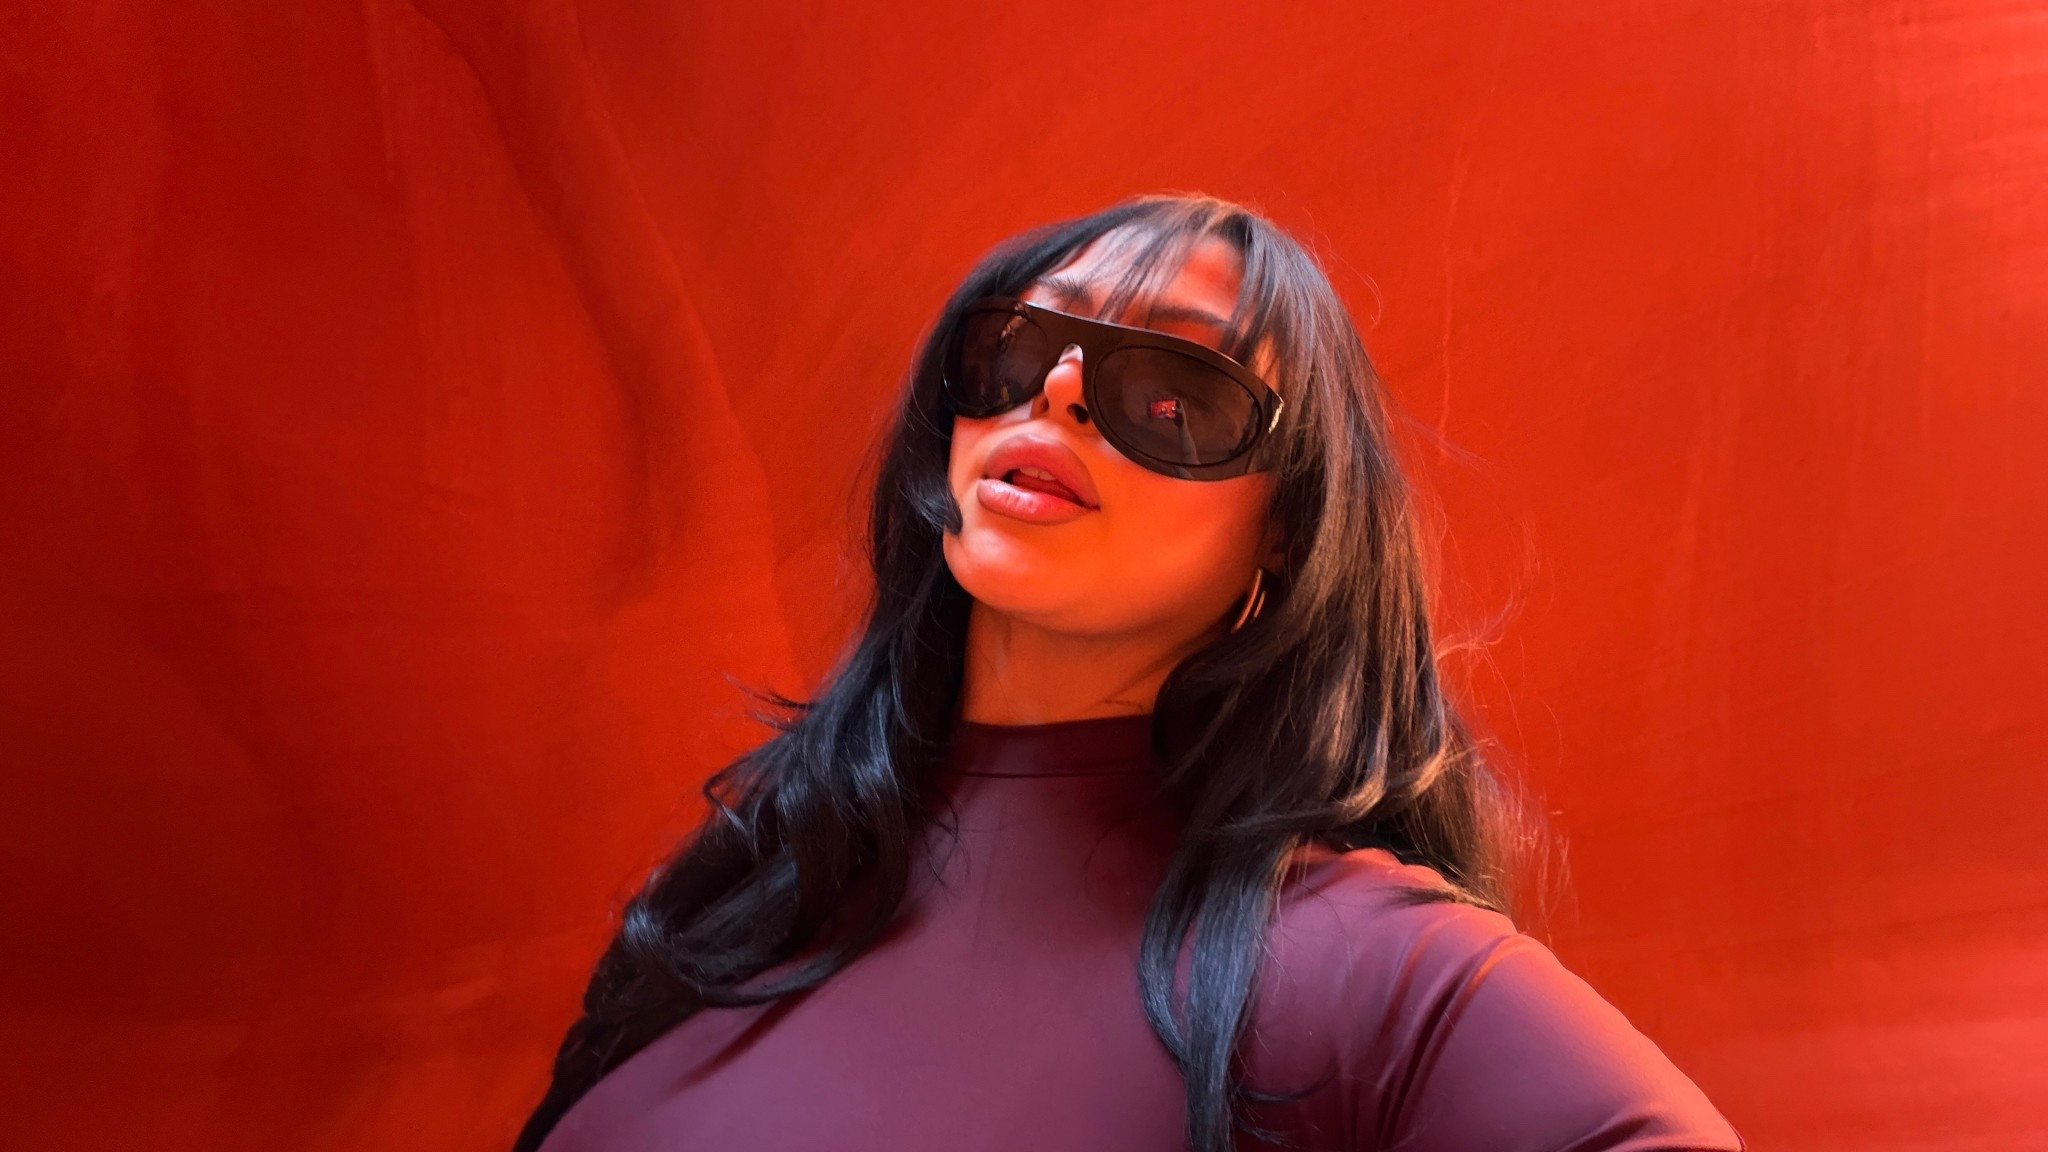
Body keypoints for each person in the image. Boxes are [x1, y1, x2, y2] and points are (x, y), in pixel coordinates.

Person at [513, 193, 1747, 1152]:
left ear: (1285, 535)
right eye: (1017, 348)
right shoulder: (744, 889)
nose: (1058, 390)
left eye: (1171, 395)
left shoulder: (1364, 972)